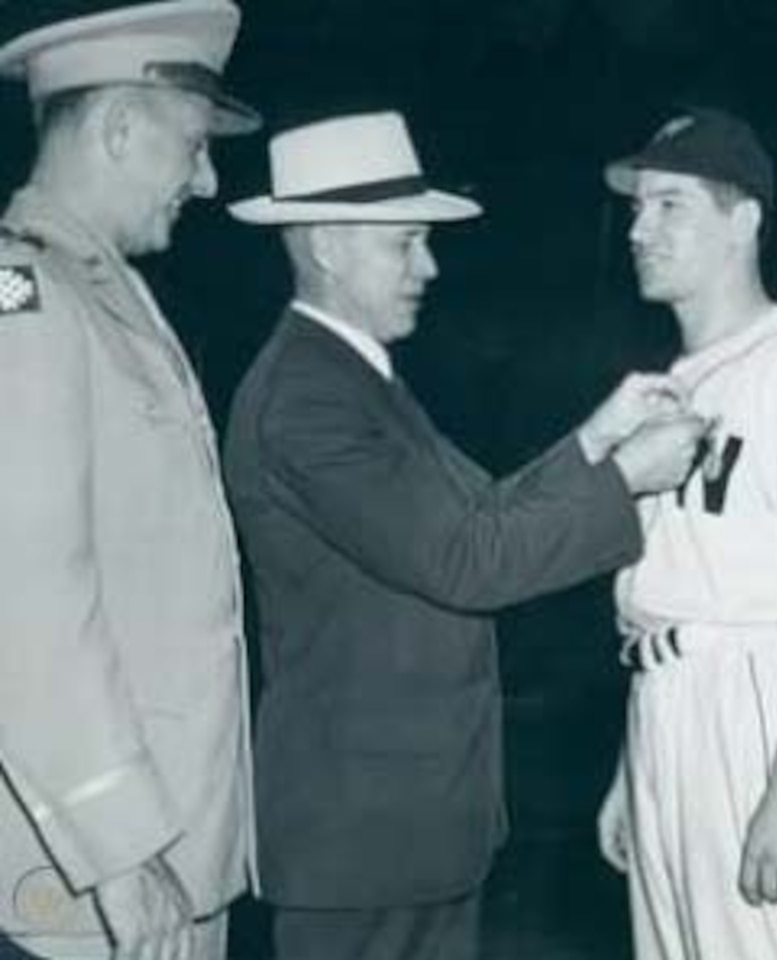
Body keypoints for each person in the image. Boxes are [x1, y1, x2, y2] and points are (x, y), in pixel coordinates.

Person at [221, 110, 709, 960]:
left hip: (408, 826)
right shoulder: (308, 400)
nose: (429, 266)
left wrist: (595, 438)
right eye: (405, 243)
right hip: (364, 840)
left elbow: (475, 516)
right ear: (328, 245)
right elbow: (471, 562)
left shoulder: (352, 378)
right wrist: (628, 478)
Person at [0, 2, 261, 960]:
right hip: (86, 876)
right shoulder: (19, 299)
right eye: (192, 144)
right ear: (116, 128)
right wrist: (116, 851)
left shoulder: (104, 293)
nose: (207, 177)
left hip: (164, 851)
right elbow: (22, 597)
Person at [595, 107, 777, 960]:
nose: (640, 229)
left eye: (671, 205)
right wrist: (632, 764)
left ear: (745, 219)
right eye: (639, 207)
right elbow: (674, 579)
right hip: (664, 704)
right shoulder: (668, 388)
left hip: (761, 708)